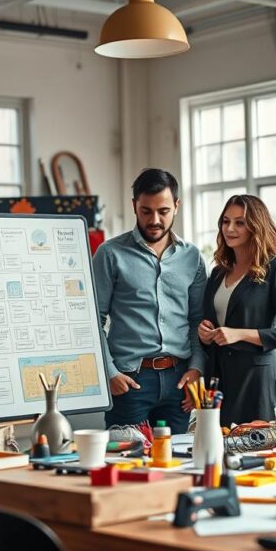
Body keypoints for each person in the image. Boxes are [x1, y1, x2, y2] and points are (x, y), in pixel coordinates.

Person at [93, 168, 206, 434]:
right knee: (127, 457)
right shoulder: (110, 254)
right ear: (135, 205)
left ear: (176, 205)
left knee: (178, 456)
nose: (154, 220)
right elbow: (93, 320)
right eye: (146, 211)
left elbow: (198, 320)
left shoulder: (192, 257)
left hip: (179, 381)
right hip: (130, 380)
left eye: (163, 211)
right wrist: (109, 372)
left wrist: (197, 369)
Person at [196, 195, 276, 425]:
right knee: (222, 444)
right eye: (226, 221)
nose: (230, 229)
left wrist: (239, 334)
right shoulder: (218, 272)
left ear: (256, 226)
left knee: (259, 445)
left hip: (258, 382)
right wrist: (204, 333)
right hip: (220, 381)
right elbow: (211, 323)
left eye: (240, 223)